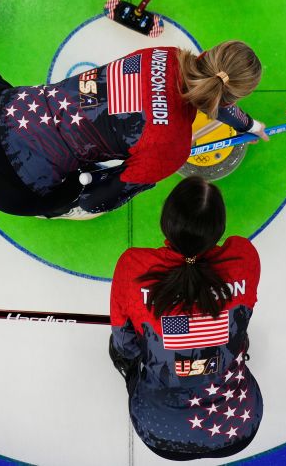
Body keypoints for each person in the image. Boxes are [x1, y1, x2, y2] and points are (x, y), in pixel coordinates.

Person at [0, 0, 268, 218]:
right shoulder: (172, 149)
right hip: (8, 190)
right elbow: (98, 198)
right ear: (230, 98)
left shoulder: (161, 55)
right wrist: (247, 124)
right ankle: (52, 209)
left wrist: (245, 122)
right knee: (74, 192)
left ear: (207, 53)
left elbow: (206, 86)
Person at [109, 177, 262, 460]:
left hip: (160, 434)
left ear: (167, 222)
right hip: (238, 426)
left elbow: (126, 345)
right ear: (218, 229)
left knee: (119, 347)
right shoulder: (244, 257)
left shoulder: (133, 267)